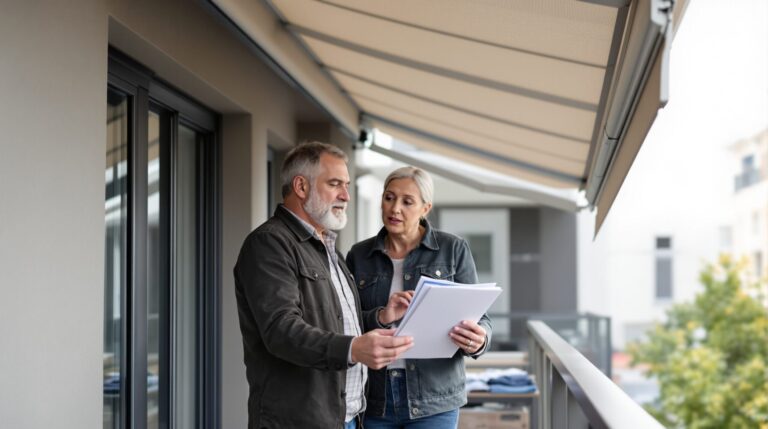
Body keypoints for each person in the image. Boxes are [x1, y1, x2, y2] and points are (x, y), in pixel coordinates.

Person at [234, 142, 413, 429]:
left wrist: (381, 316)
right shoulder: (269, 244)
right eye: (334, 184)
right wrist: (353, 349)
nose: (346, 195)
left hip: (347, 418)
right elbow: (281, 331)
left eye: (347, 185)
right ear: (301, 187)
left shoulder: (328, 248)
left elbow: (335, 324)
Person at [346, 166, 493, 428]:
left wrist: (479, 340)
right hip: (375, 398)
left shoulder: (452, 249)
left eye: (407, 201)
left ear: (425, 208)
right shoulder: (359, 255)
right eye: (389, 197)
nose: (394, 209)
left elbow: (481, 319)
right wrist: (382, 316)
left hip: (436, 399)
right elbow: (348, 322)